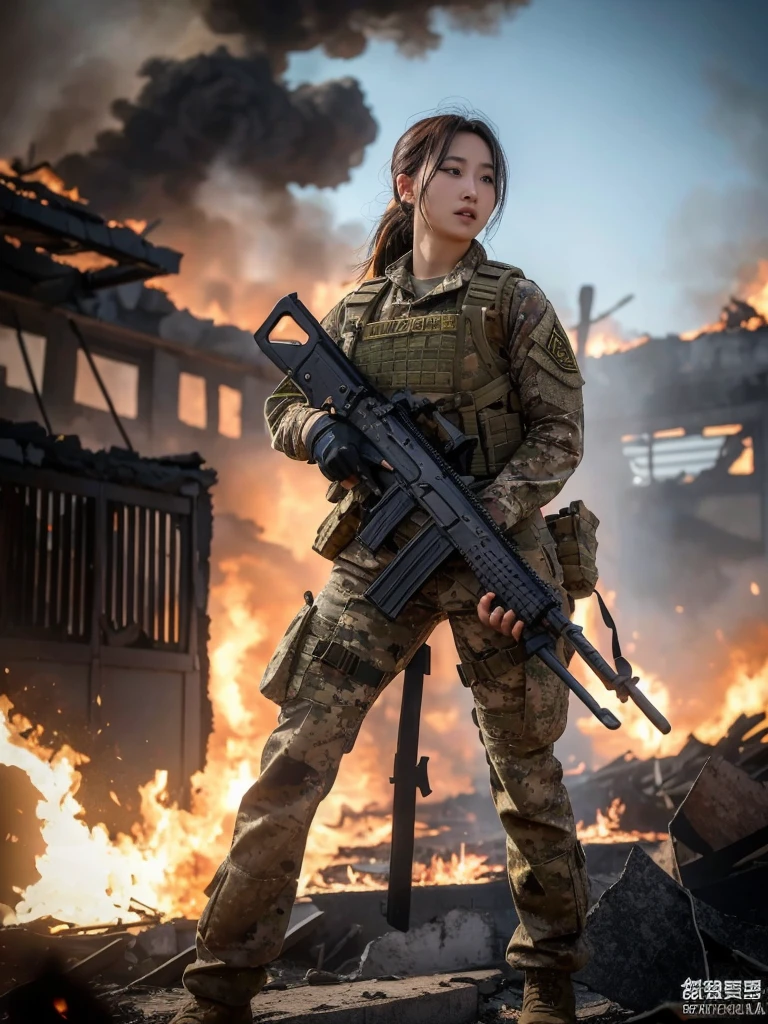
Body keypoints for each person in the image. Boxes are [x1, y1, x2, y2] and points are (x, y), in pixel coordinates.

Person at [172, 111, 589, 1024]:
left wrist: (492, 506)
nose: (474, 190)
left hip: (492, 556)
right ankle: (221, 985)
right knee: (294, 761)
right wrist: (322, 430)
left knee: (528, 771)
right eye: (454, 172)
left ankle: (549, 982)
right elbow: (288, 403)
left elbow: (562, 435)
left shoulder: (513, 302)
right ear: (410, 186)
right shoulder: (358, 312)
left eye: (488, 176)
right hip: (384, 553)